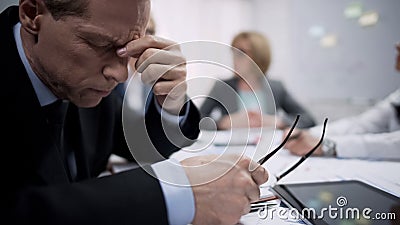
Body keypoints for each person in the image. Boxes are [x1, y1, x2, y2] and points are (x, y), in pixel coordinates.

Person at [1, 1, 268, 225]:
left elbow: (140, 146)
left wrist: (170, 104)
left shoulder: (82, 80)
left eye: (129, 49)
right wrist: (175, 194)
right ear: (32, 14)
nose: (121, 74)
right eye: (98, 43)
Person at [284, 42, 400, 161]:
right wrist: (306, 134)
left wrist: (329, 145)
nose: (397, 45)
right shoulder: (397, 97)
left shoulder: (277, 87)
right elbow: (361, 124)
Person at [200, 31, 316, 130]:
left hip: (269, 150)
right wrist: (223, 123)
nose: (234, 57)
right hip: (232, 150)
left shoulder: (276, 87)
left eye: (241, 52)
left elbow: (308, 119)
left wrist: (278, 121)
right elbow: (196, 120)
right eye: (233, 51)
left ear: (258, 55)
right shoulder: (222, 86)